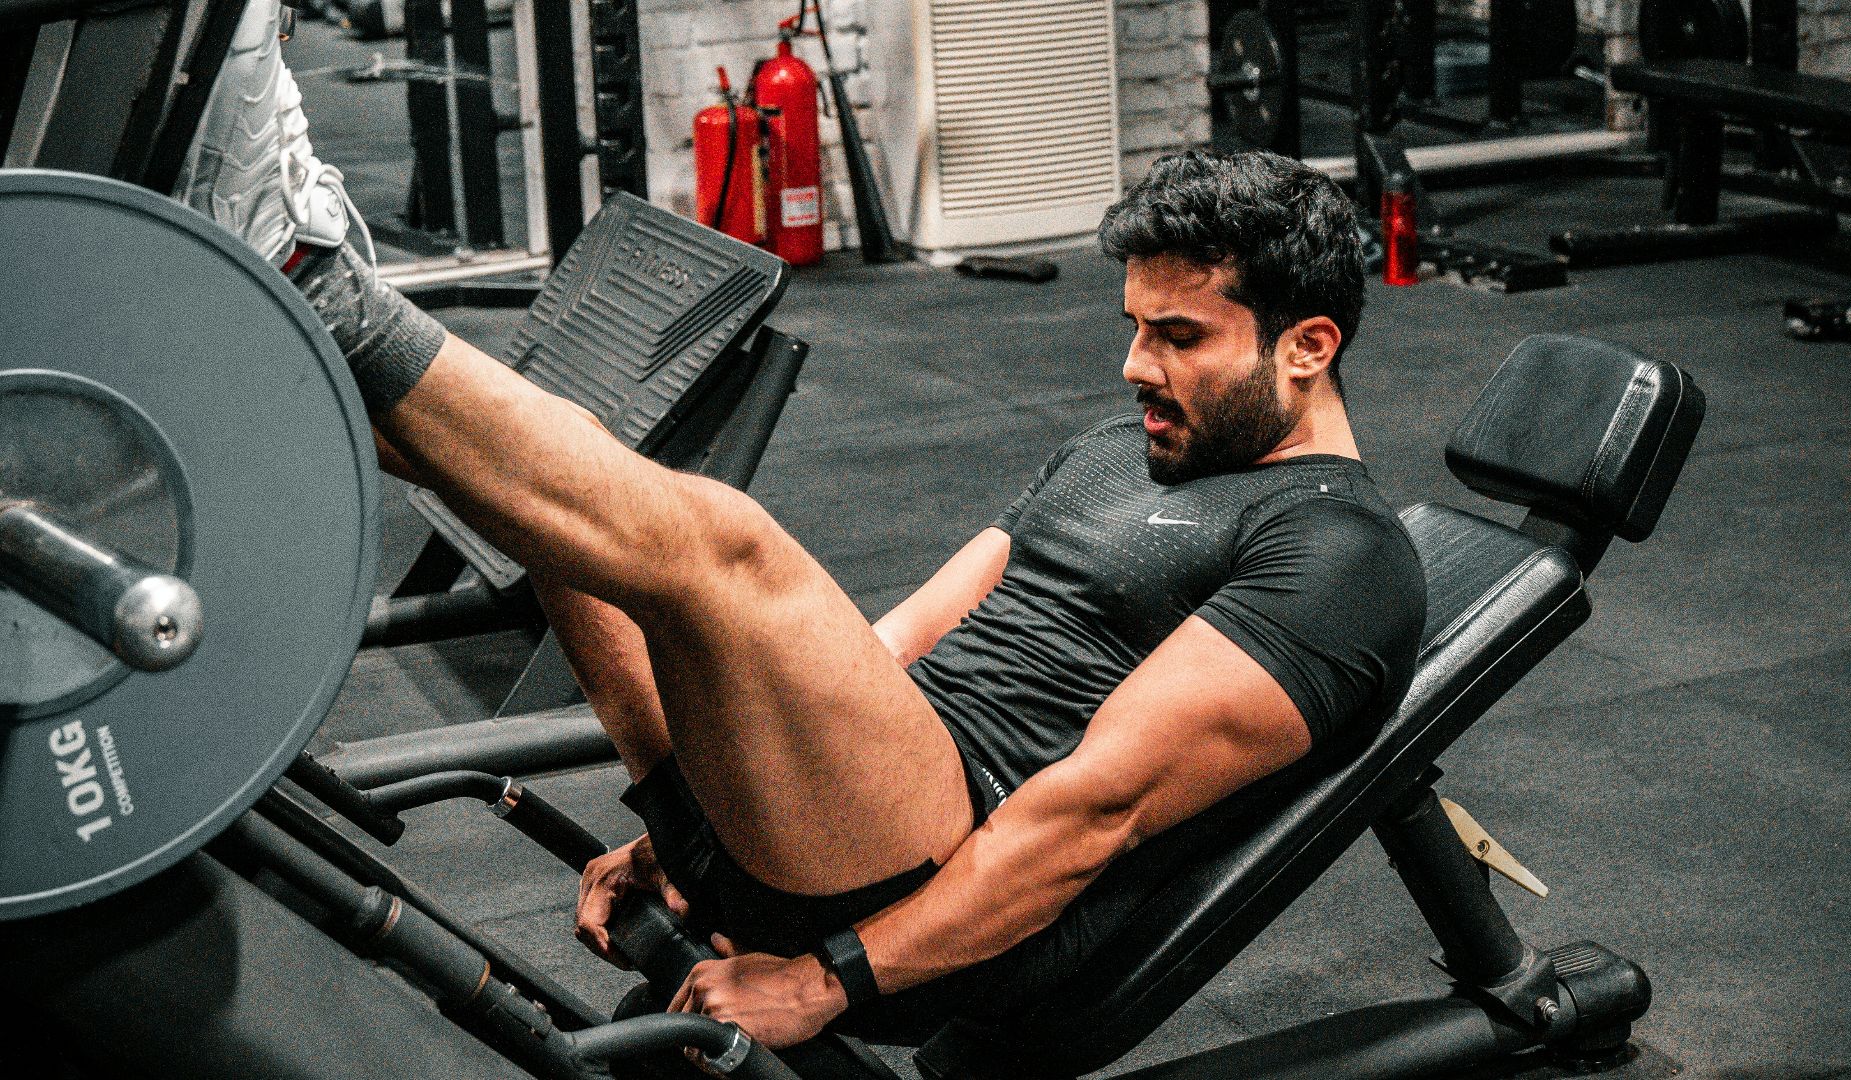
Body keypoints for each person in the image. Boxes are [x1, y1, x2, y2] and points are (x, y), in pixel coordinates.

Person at [177, 1, 1427, 1049]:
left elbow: (1082, 816)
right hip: (833, 810)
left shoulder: (1341, 556)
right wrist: (700, 825)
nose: (1136, 370)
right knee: (571, 526)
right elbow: (894, 647)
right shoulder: (1127, 450)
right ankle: (251, 307)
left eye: (1181, 338)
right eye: (1132, 329)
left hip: (930, 889)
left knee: (723, 547)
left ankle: (312, 277)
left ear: (1308, 345)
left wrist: (827, 978)